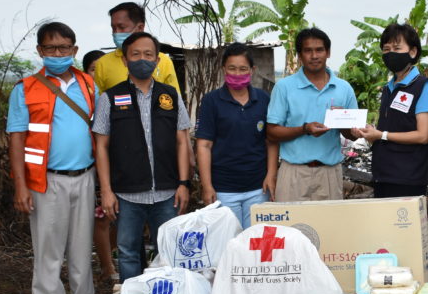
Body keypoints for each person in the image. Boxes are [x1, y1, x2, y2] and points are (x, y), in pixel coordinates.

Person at [6, 22, 99, 294]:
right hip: (46, 180)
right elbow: (16, 138)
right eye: (50, 48)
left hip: (85, 176)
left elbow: (99, 131)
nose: (57, 54)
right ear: (39, 51)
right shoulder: (25, 89)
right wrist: (21, 186)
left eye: (63, 48)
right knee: (48, 248)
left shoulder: (88, 85)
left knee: (81, 246)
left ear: (74, 50)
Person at [93, 32, 191, 281]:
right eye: (135, 54)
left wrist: (183, 184)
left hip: (167, 192)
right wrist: (106, 190)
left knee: (167, 252)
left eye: (148, 54)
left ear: (157, 60)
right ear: (125, 60)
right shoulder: (110, 98)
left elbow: (182, 141)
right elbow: (101, 146)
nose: (142, 59)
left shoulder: (170, 96)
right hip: (126, 193)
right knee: (127, 252)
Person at [266, 28, 359, 202]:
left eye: (319, 50)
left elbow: (351, 134)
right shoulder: (284, 87)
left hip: (330, 172)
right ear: (299, 56)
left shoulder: (344, 88)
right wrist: (305, 129)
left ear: (328, 52)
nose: (314, 55)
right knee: (291, 227)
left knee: (330, 228)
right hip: (293, 171)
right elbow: (271, 132)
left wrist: (341, 120)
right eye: (308, 51)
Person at [195, 42, 278, 228]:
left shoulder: (263, 99)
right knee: (228, 245)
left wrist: (271, 174)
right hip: (224, 189)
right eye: (232, 68)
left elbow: (271, 141)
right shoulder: (211, 101)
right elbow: (204, 145)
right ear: (223, 68)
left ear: (252, 70)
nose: (237, 74)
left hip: (258, 188)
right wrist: (206, 185)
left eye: (243, 69)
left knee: (255, 244)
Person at [358, 23, 428, 198]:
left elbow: (423, 135)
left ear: (413, 52)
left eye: (397, 48)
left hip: (407, 178)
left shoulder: (422, 86)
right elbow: (388, 127)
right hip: (382, 175)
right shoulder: (388, 87)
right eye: (386, 49)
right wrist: (369, 133)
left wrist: (381, 135)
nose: (390, 53)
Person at [83, 49, 118, 286]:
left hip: (118, 163)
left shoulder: (116, 99)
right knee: (102, 217)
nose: (99, 74)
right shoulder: (82, 101)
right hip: (93, 164)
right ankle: (107, 267)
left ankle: (111, 258)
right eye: (94, 69)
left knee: (119, 215)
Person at [92, 2, 180, 93]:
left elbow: (175, 100)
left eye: (121, 27)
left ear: (140, 27)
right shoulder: (103, 63)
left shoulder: (164, 61)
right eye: (113, 28)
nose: (116, 32)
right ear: (124, 60)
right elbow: (99, 103)